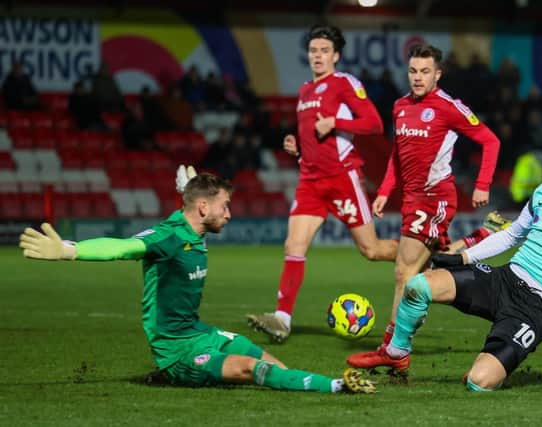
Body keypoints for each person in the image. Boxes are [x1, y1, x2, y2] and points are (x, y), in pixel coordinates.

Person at [19, 172, 375, 394]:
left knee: (269, 362)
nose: (230, 213)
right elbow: (123, 246)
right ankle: (338, 385)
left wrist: (185, 188)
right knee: (250, 369)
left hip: (200, 333)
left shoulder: (195, 223)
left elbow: (192, 203)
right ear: (204, 208)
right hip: (175, 350)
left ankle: (310, 384)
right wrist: (70, 250)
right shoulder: (168, 237)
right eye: (225, 206)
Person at [348, 136, 542, 391]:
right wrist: (463, 257)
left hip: (536, 309)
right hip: (504, 279)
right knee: (418, 285)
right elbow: (512, 235)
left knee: (478, 382)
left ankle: (490, 366)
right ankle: (396, 354)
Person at [347, 44, 503, 365]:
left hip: (435, 198)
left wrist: (482, 184)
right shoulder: (400, 105)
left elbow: (491, 140)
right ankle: (482, 237)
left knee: (404, 270)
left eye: (425, 72)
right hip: (410, 199)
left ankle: (393, 349)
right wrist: (384, 191)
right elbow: (396, 154)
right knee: (430, 264)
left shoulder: (448, 106)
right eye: (413, 71)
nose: (418, 78)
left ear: (437, 74)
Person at [245, 25, 399, 342]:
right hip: (311, 181)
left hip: (342, 177)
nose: (318, 55)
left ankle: (421, 254)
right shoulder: (304, 92)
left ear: (336, 55)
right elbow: (311, 136)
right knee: (294, 246)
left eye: (324, 50)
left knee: (371, 250)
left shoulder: (344, 83)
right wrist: (296, 145)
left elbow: (374, 123)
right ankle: (282, 320)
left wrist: (336, 122)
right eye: (314, 50)